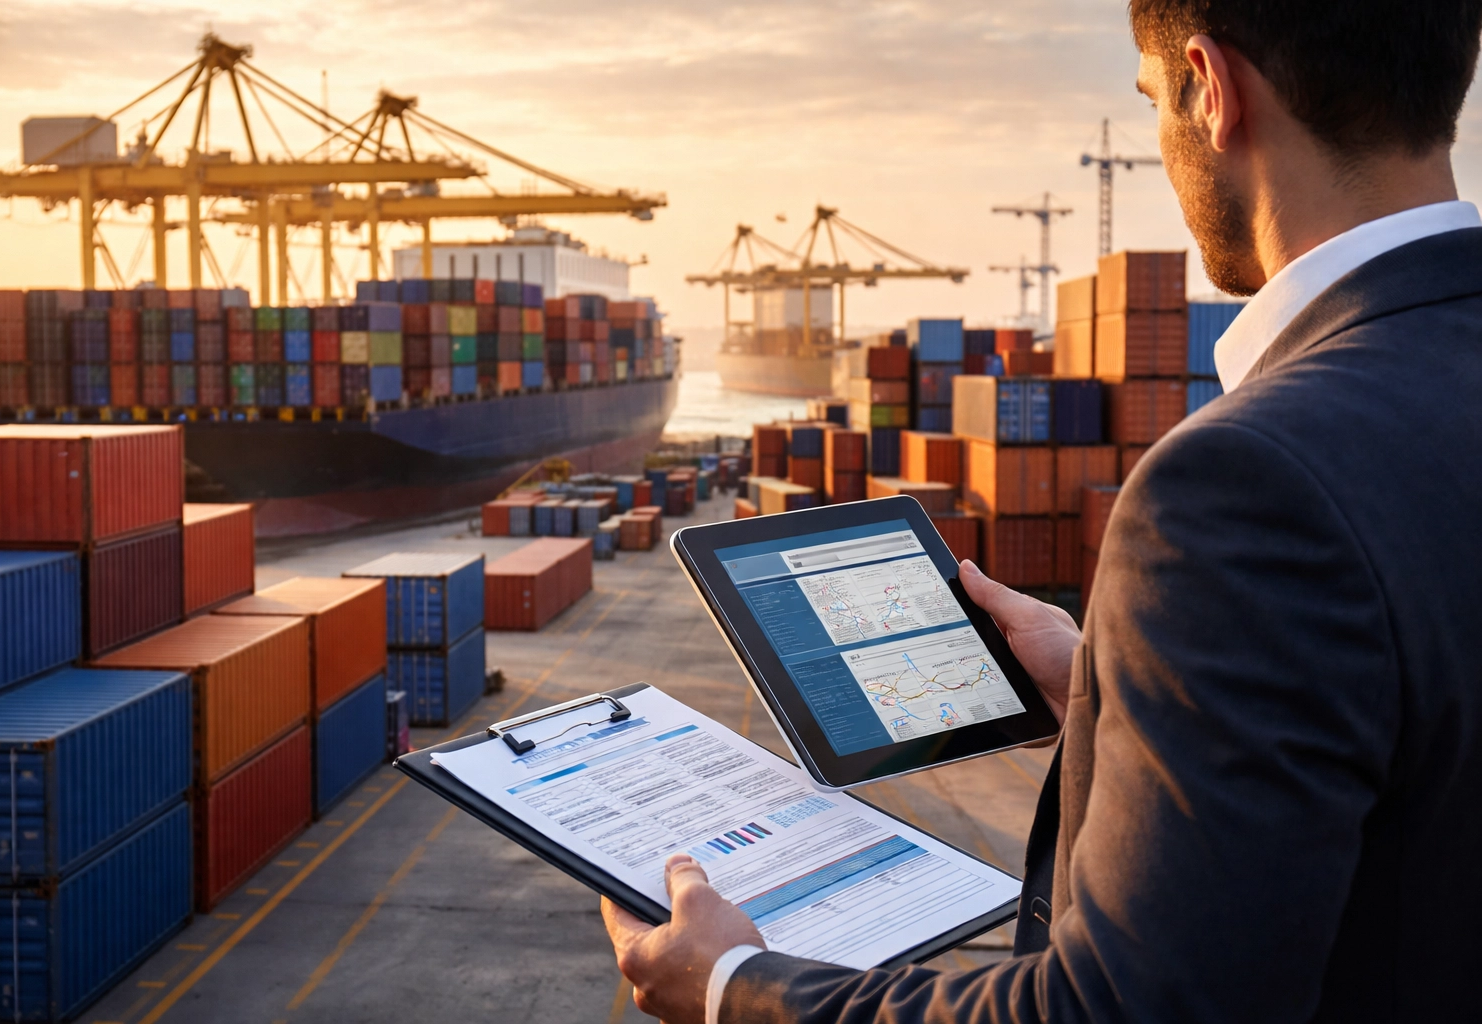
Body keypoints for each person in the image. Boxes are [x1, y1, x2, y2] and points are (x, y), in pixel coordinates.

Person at [601, 0, 1482, 1021]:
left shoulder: (1247, 482)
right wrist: (1112, 692)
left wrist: (733, 987)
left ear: (1212, 87)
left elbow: (1123, 1010)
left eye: (1154, 100)